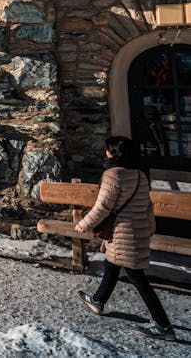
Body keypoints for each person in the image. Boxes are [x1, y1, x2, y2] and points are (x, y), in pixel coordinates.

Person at [74, 136, 175, 340]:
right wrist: (150, 228)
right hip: (137, 232)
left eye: (108, 149)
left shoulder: (113, 175)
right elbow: (147, 207)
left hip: (122, 234)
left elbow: (103, 207)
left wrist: (85, 223)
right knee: (111, 264)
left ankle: (163, 326)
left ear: (114, 154)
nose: (105, 152)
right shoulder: (140, 175)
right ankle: (98, 300)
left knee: (137, 277)